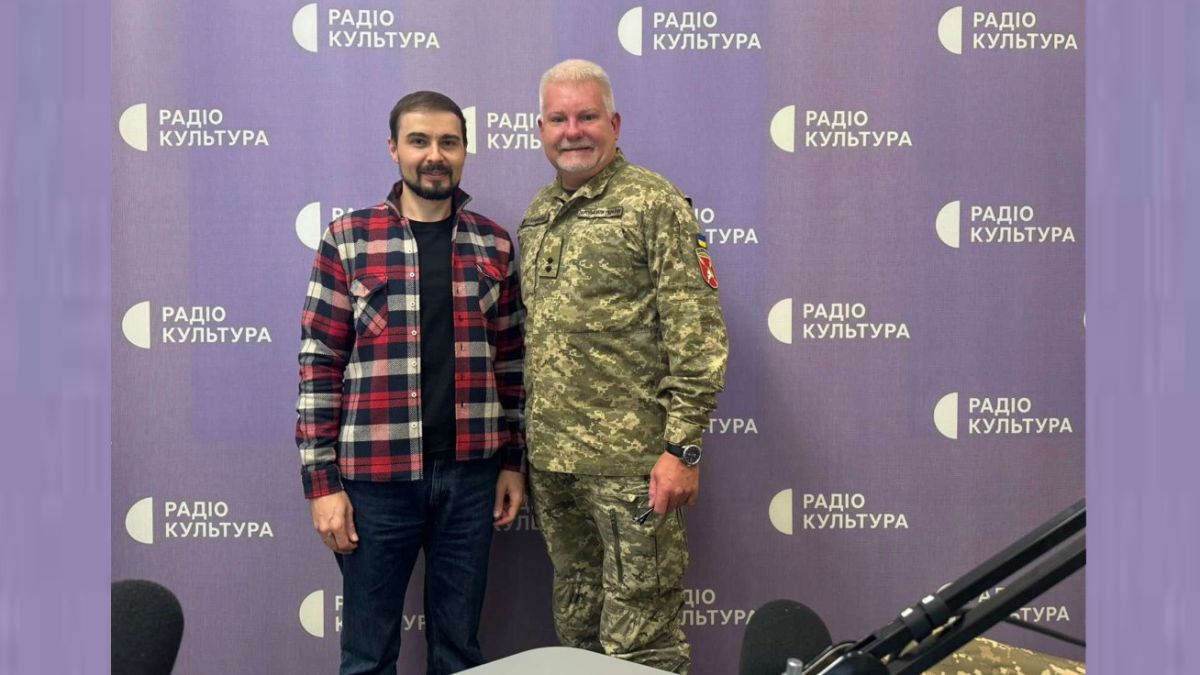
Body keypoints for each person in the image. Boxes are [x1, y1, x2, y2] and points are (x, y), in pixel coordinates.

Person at [294, 90, 526, 675]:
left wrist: (512, 463)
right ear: (394, 148)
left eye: (449, 142)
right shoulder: (348, 238)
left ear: (465, 151)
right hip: (375, 483)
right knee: (368, 655)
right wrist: (322, 484)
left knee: (460, 651)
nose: (434, 155)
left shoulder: (495, 244)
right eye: (419, 141)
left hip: (471, 479)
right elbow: (320, 363)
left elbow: (512, 363)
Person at [520, 59, 729, 674]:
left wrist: (682, 449)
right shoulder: (538, 214)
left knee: (642, 643)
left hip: (635, 470)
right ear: (541, 129)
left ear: (614, 123)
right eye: (558, 119)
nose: (573, 131)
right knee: (577, 630)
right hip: (556, 467)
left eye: (587, 116)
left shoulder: (652, 202)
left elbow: (697, 334)